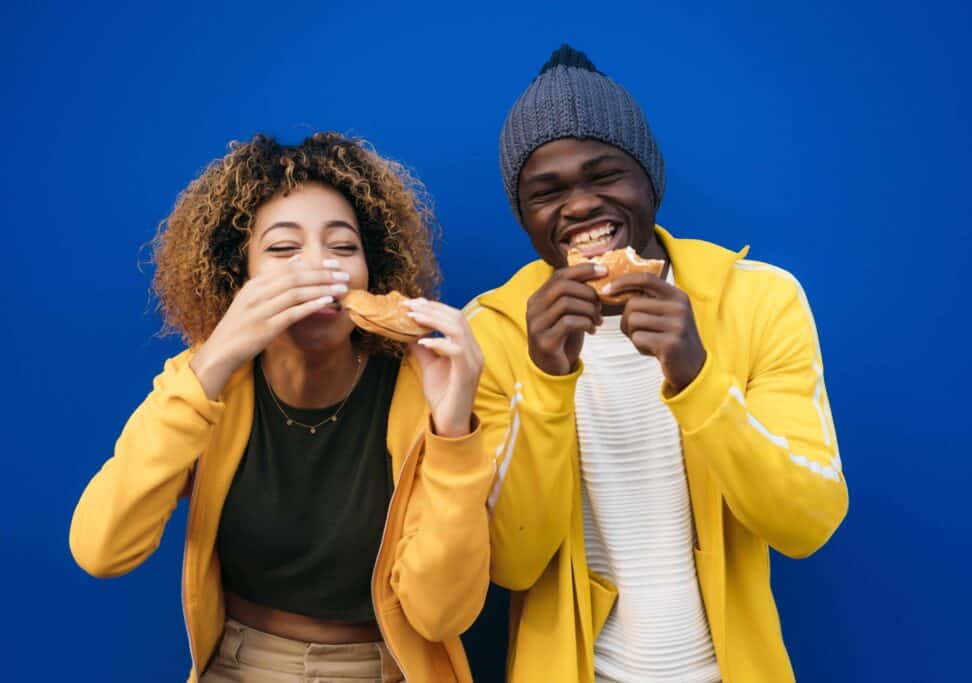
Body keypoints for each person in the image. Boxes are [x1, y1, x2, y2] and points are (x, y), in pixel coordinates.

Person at [465, 45, 849, 682]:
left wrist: (698, 379)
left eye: (605, 175)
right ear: (526, 216)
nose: (580, 205)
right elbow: (512, 562)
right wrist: (546, 379)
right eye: (546, 191)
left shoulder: (758, 298)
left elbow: (806, 522)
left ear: (649, 180)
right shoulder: (492, 330)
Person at [70, 132, 491, 682]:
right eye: (283, 249)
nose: (320, 266)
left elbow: (440, 616)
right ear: (237, 277)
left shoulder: (423, 391)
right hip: (237, 667)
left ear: (373, 268)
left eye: (343, 247)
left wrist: (452, 429)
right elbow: (101, 549)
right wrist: (215, 357)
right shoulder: (205, 384)